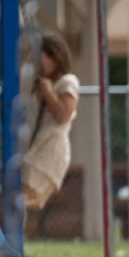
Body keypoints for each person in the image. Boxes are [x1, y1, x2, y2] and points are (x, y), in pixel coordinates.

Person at [20, 33, 79, 210]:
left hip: (49, 152)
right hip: (34, 149)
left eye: (40, 58)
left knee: (13, 200)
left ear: (54, 57)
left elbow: (63, 115)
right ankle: (14, 237)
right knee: (15, 202)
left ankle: (11, 237)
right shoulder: (39, 83)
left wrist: (48, 92)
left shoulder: (68, 81)